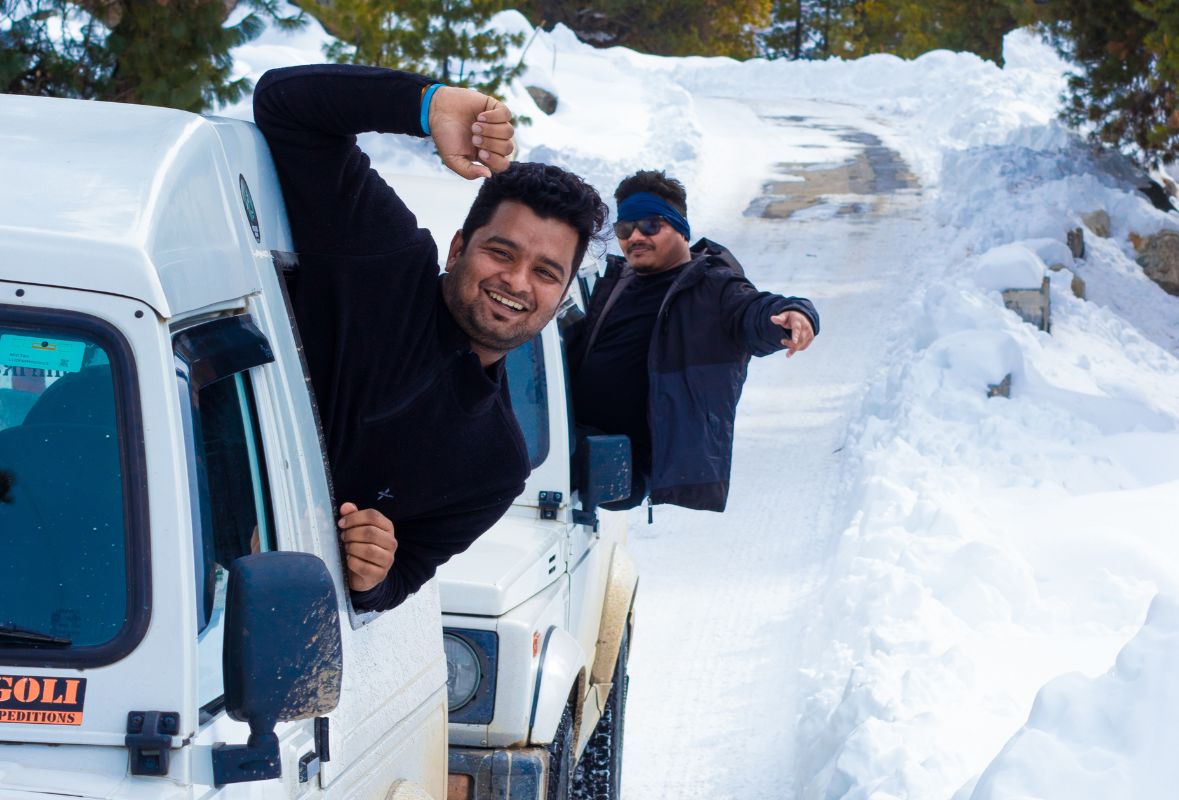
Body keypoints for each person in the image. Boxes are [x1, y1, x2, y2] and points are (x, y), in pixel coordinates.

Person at [253, 65, 608, 611]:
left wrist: (374, 572)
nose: (515, 282)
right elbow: (284, 106)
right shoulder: (380, 257)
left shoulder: (496, 464)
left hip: (232, 618)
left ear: (561, 299)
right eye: (501, 252)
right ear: (457, 247)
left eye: (545, 272)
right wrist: (428, 105)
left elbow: (406, 575)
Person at [567, 170, 818, 513]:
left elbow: (754, 311)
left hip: (624, 463)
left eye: (650, 225)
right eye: (625, 229)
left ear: (680, 227)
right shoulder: (621, 280)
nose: (635, 236)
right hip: (574, 434)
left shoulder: (714, 288)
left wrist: (793, 314)